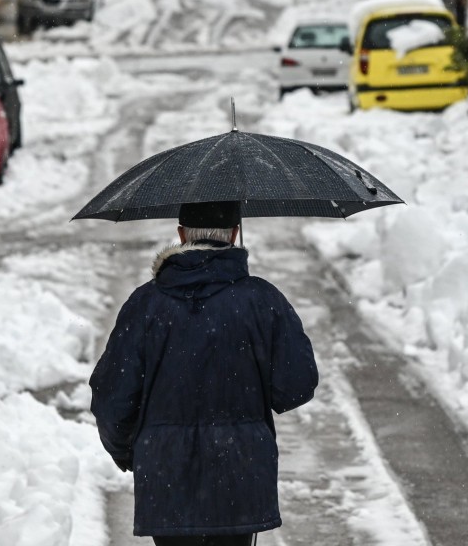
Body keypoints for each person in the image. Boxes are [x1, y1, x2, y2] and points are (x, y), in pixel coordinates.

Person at [90, 200, 319, 546]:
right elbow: (296, 385)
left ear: (181, 235)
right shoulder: (262, 300)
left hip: (166, 477)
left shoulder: (145, 305)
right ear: (235, 234)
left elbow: (112, 399)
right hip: (239, 480)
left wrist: (132, 451)